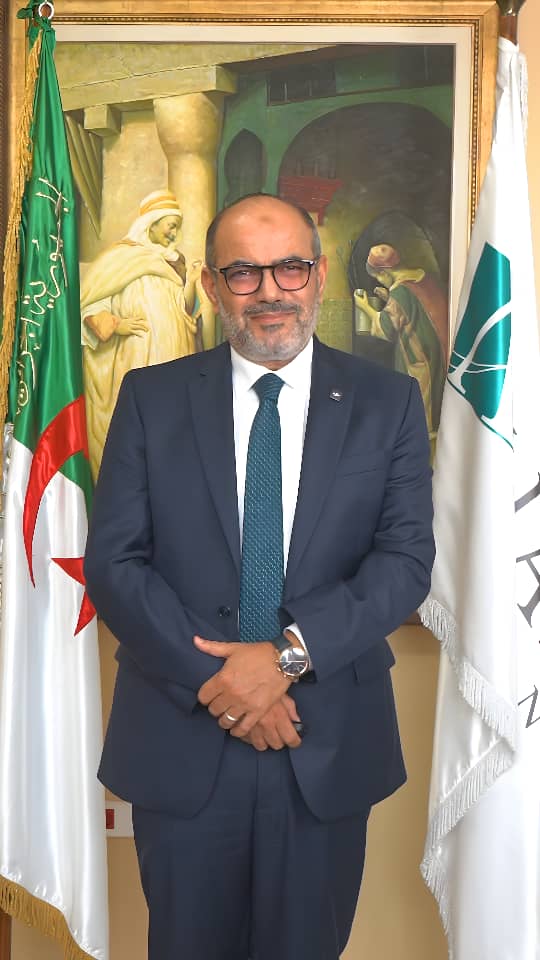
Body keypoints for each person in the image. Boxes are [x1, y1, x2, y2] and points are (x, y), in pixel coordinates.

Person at [84, 194, 435, 960]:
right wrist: (225, 684)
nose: (270, 290)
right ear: (211, 285)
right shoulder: (151, 400)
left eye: (290, 268)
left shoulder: (386, 401)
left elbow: (405, 562)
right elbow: (115, 565)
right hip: (182, 739)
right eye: (244, 272)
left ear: (319, 276)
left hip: (326, 743)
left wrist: (283, 662)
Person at [80, 189, 202, 480]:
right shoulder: (120, 258)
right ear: (152, 223)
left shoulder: (173, 263)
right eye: (170, 226)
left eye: (177, 228)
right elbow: (91, 302)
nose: (174, 233)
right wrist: (116, 325)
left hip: (174, 359)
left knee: (169, 434)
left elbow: (183, 310)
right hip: (133, 357)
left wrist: (192, 282)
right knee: (135, 435)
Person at [354, 242, 447, 446]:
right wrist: (389, 298)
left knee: (420, 419)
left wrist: (366, 307)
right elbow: (412, 309)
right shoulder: (422, 278)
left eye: (379, 277)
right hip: (435, 352)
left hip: (418, 360)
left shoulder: (400, 292)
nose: (379, 281)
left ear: (385, 272)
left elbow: (386, 329)